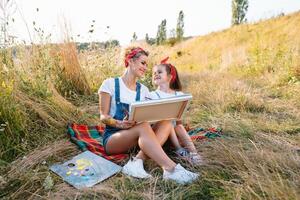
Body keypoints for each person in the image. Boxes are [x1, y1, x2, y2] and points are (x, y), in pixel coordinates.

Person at [98, 47, 198, 184]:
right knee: (143, 126)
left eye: (147, 65)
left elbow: (148, 118)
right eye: (143, 63)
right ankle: (170, 168)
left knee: (166, 123)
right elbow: (103, 116)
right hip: (114, 138)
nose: (146, 68)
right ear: (130, 61)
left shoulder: (144, 90)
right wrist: (119, 123)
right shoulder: (109, 84)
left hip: (138, 138)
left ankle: (136, 162)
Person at [150, 57, 203, 165]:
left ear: (169, 77)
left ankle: (194, 154)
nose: (156, 74)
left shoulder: (179, 95)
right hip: (160, 134)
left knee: (178, 126)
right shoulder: (151, 96)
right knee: (168, 122)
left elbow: (179, 121)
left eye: (159, 72)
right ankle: (179, 150)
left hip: (175, 134)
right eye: (154, 73)